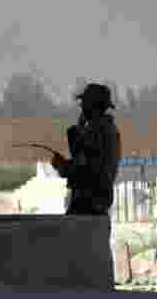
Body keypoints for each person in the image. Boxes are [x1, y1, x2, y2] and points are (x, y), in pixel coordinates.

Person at [51, 82, 122, 216]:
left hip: (87, 203)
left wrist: (61, 166)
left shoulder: (95, 131)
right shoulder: (111, 130)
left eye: (84, 103)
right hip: (100, 202)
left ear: (92, 105)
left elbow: (83, 167)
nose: (81, 106)